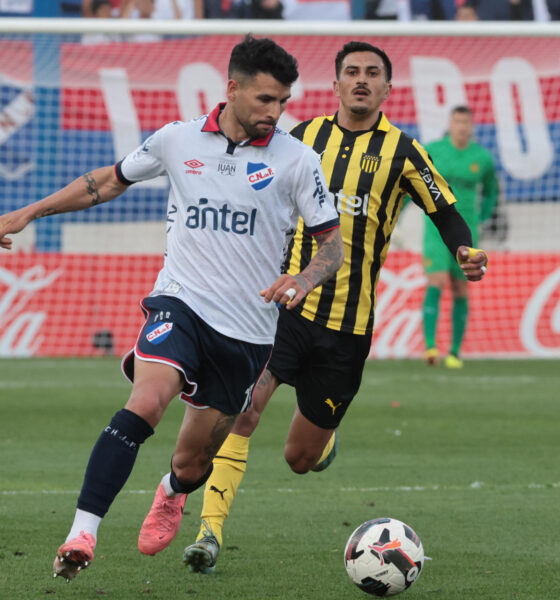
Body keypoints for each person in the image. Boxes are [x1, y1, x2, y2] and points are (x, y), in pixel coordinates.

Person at [0, 34, 344, 581]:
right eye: (264, 100)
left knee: (192, 463)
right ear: (231, 88)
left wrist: (303, 278)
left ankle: (171, 491)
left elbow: (334, 244)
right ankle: (82, 531)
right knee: (147, 404)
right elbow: (108, 181)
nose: (274, 113)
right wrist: (30, 212)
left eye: (282, 102)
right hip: (179, 304)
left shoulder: (298, 160)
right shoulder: (177, 140)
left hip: (248, 333)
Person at [140, 41, 489, 575]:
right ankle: (209, 532)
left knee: (299, 459)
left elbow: (444, 211)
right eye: (351, 72)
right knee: (244, 410)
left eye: (373, 73)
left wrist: (463, 249)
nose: (361, 80)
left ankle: (323, 445)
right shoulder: (301, 139)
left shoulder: (404, 152)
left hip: (348, 328)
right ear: (335, 84)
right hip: (283, 309)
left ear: (387, 89)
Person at [422, 106, 498, 368]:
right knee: (437, 280)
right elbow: (414, 186)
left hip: (467, 230)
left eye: (466, 122)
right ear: (450, 124)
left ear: (472, 126)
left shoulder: (482, 158)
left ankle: (454, 351)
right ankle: (431, 347)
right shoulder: (434, 150)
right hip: (435, 228)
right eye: (457, 121)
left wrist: (486, 217)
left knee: (460, 287)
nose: (462, 127)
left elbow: (491, 191)